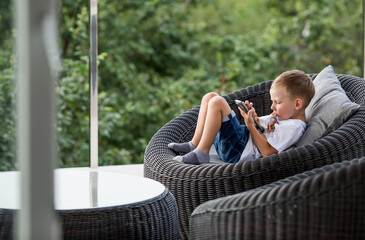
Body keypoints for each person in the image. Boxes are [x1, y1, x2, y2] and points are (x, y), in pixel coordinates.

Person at [168, 70, 315, 165]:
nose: (272, 107)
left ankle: (202, 153)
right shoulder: (284, 116)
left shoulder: (294, 127)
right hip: (241, 140)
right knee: (210, 97)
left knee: (218, 102)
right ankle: (195, 144)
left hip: (239, 150)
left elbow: (268, 153)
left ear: (297, 104)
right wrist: (255, 118)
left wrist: (250, 125)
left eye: (277, 102)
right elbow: (264, 133)